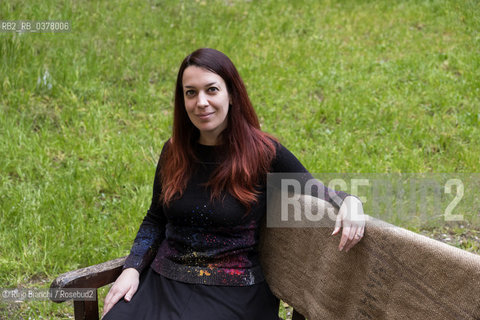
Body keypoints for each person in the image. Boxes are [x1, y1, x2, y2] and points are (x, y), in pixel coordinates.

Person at [102, 48, 365, 320]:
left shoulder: (263, 152)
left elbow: (316, 190)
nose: (201, 102)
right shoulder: (173, 151)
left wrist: (349, 201)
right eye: (190, 92)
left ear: (232, 95)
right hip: (164, 282)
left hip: (233, 290)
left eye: (212, 90)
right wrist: (131, 268)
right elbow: (155, 218)